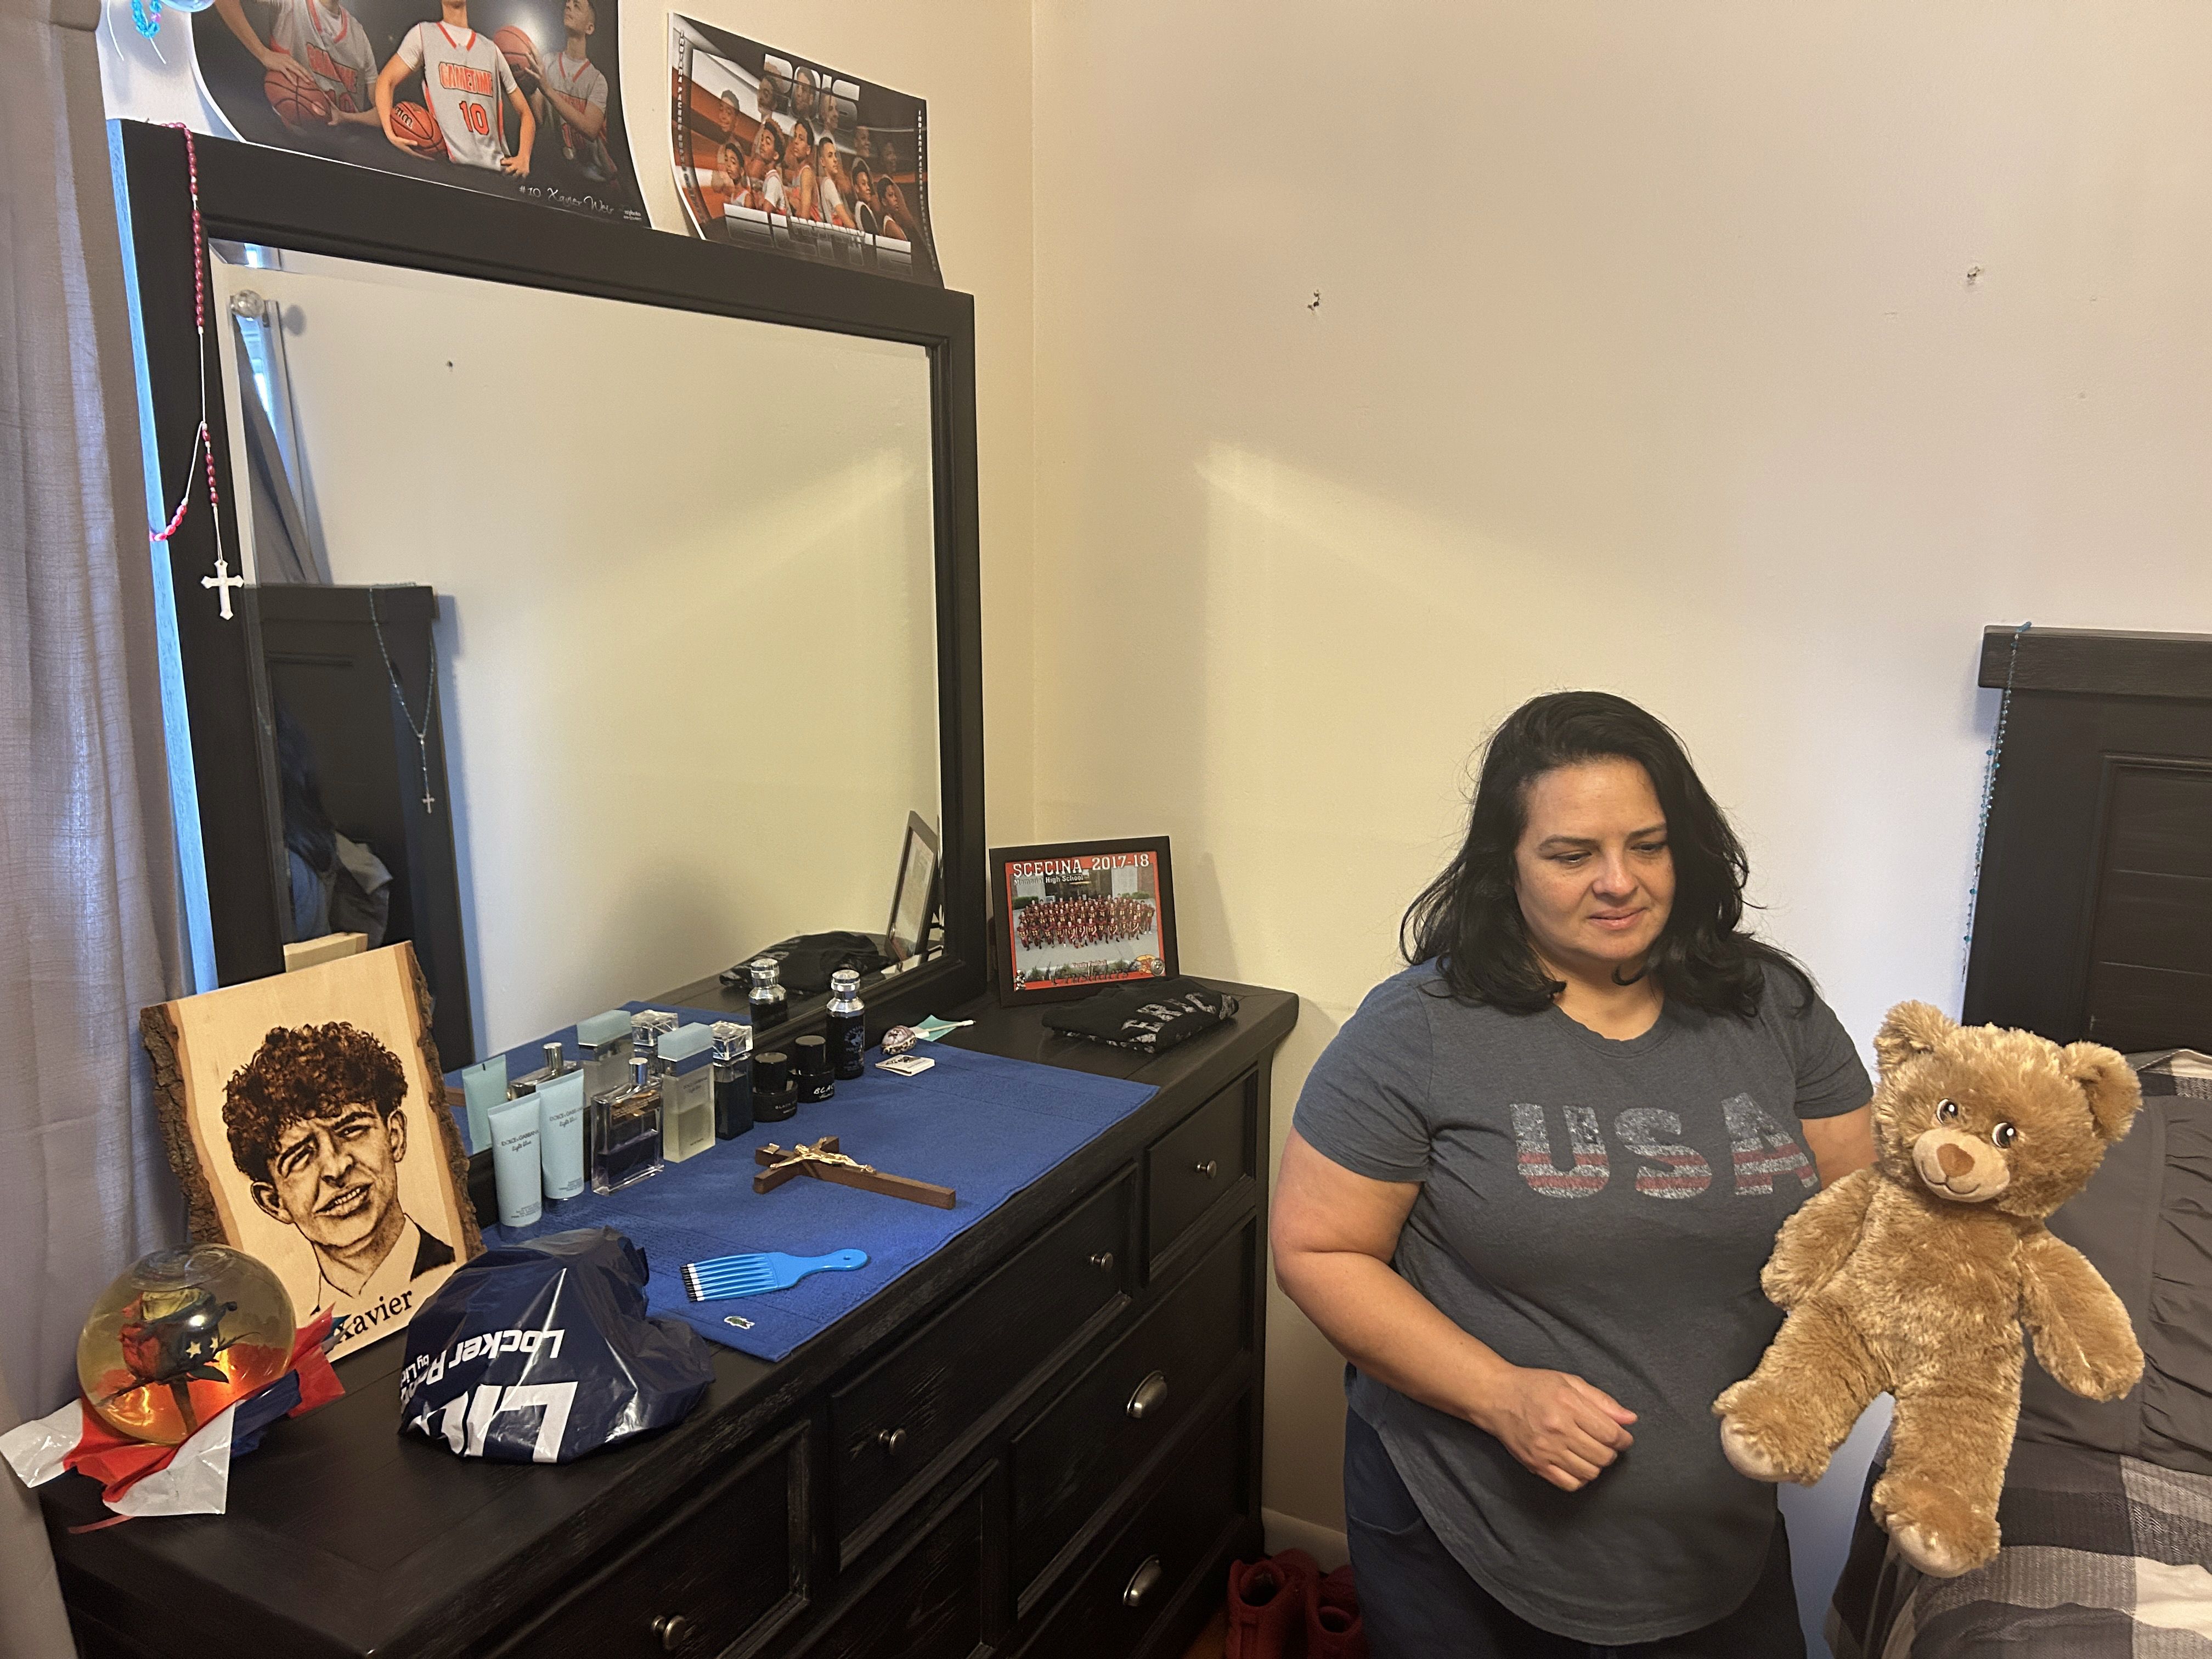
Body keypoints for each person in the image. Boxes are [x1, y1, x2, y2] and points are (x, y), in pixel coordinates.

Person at [1272, 691, 1875, 1659]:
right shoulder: (1417, 1029)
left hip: (1714, 1535)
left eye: (1648, 843)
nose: (1618, 881)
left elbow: (1863, 1227)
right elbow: (1318, 1247)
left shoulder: (1774, 1007)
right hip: (1466, 1533)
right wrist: (1497, 1393)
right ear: (1503, 864)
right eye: (1570, 853)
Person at [223, 1022, 456, 1342]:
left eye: (351, 1130)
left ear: (395, 1136)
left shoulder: (459, 1270)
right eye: (301, 1156)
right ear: (274, 1202)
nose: (336, 1167)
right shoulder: (291, 1338)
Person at [375, 0, 534, 175]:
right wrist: (389, 133)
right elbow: (386, 80)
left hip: (496, 172)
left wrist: (524, 157)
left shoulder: (491, 50)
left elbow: (526, 112)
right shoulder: (424, 34)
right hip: (451, 169)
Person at [213, 0, 380, 127]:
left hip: (345, 151)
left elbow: (382, 114)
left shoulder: (359, 34)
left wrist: (346, 118)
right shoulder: (293, 3)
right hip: (287, 137)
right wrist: (262, 53)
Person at [529, 0, 613, 180]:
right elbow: (539, 119)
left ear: (589, 29)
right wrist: (529, 85)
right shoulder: (548, 62)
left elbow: (591, 129)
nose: (568, 6)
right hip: (563, 171)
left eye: (577, 6)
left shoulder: (597, 80)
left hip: (598, 177)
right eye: (568, 4)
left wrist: (548, 90)